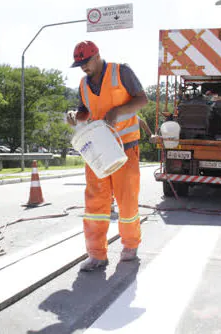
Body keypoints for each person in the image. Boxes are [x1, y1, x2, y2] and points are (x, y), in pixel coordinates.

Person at [66, 41, 148, 272]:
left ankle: (130, 246)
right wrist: (75, 115)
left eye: (86, 62)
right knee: (95, 203)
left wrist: (117, 111)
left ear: (97, 55)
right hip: (98, 149)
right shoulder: (83, 85)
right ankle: (96, 254)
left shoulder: (121, 72)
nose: (83, 67)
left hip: (125, 147)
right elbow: (85, 112)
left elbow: (142, 99)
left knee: (127, 200)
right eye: (80, 64)